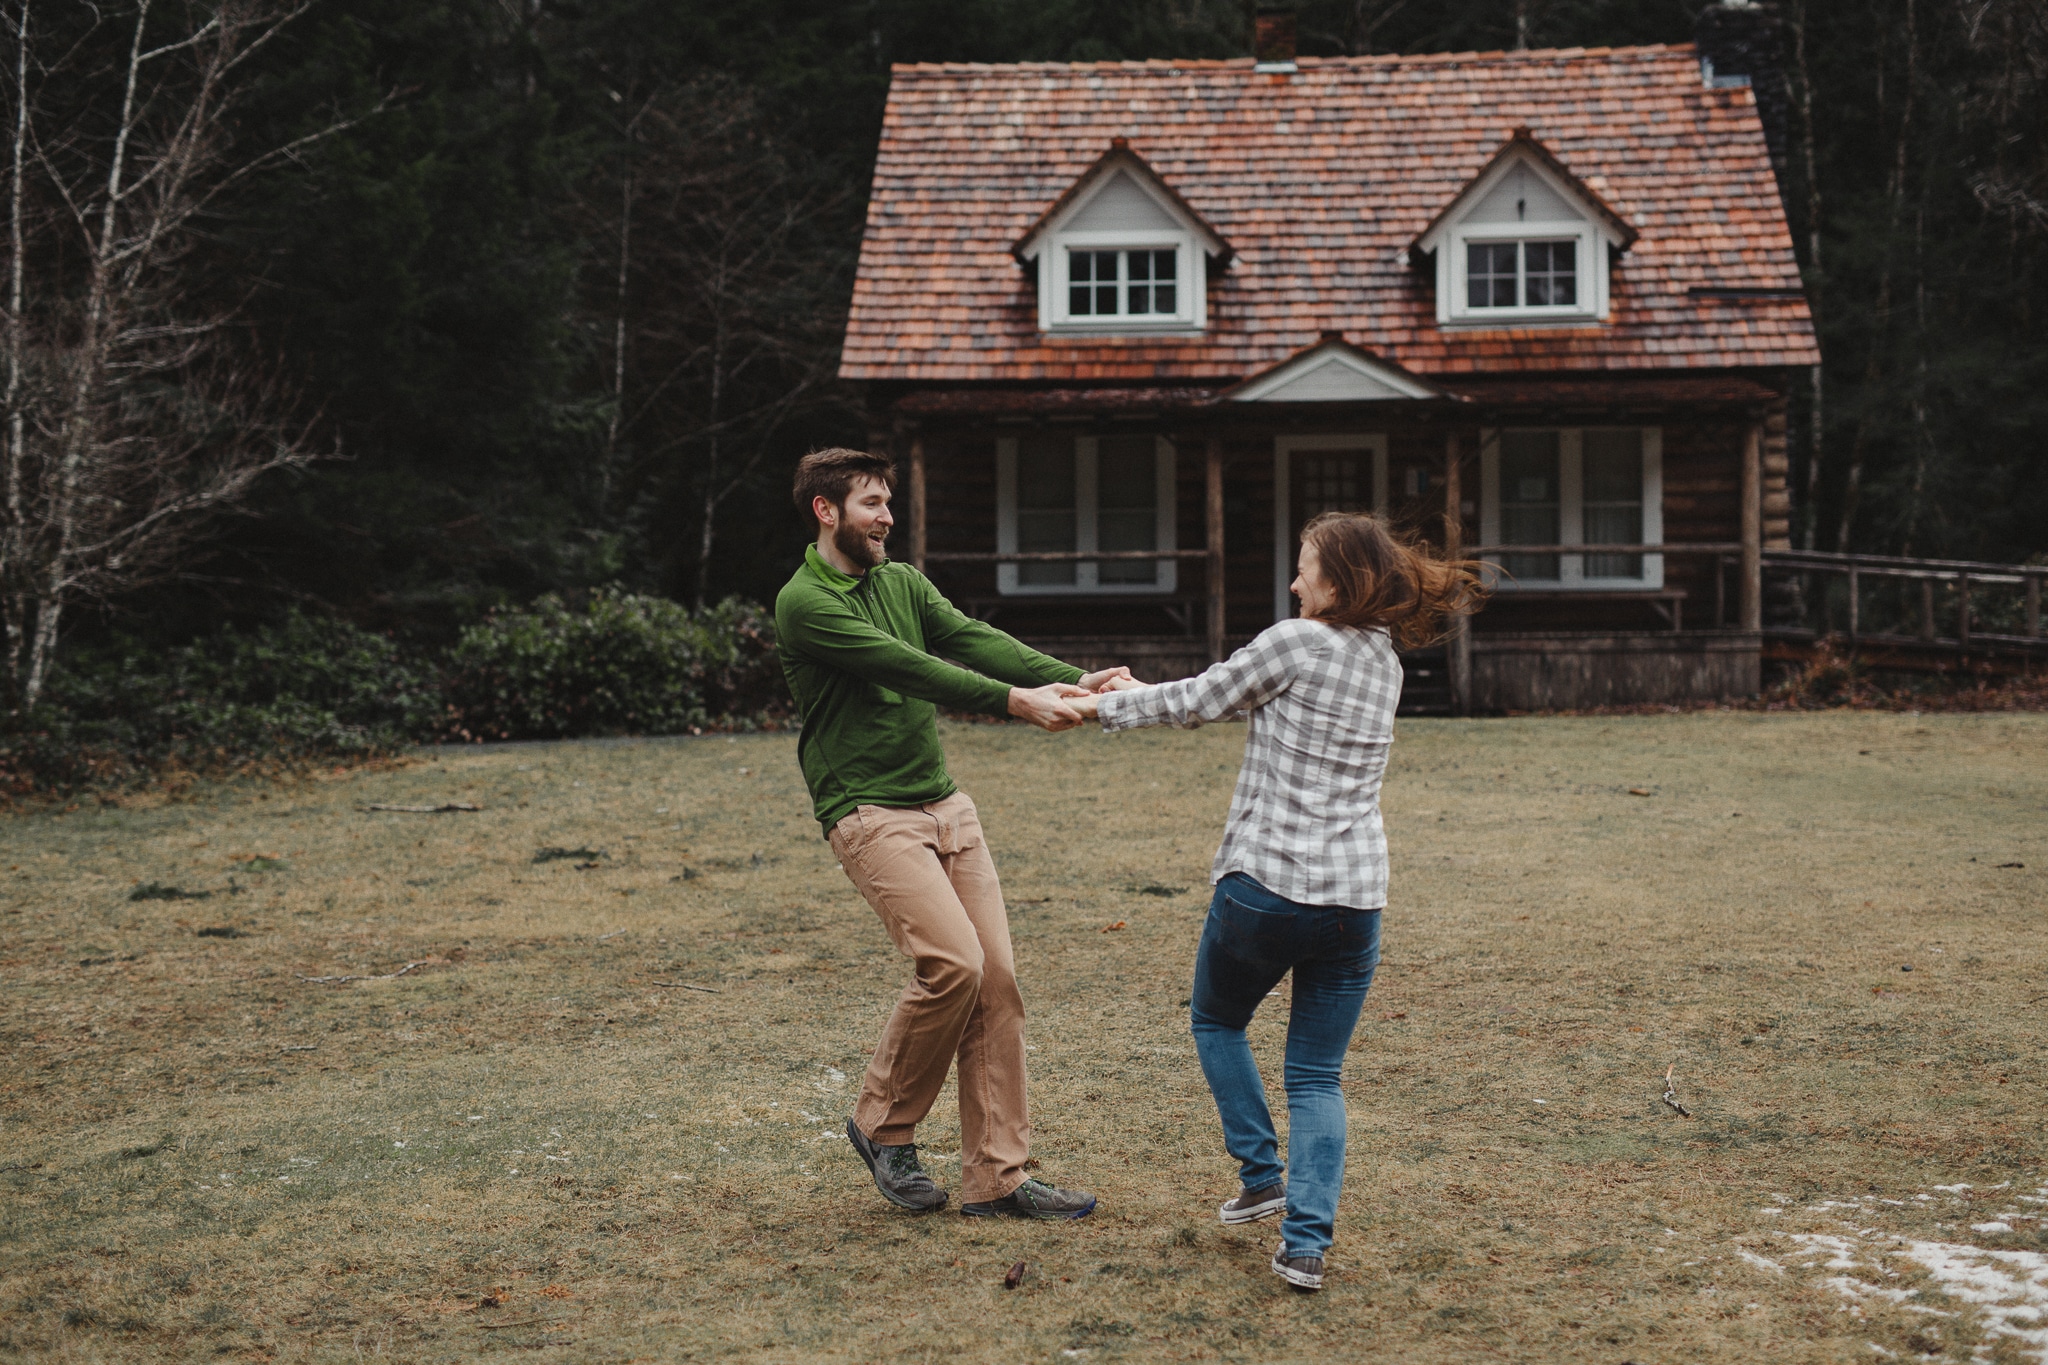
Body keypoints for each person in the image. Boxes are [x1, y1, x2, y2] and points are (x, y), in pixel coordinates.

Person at [1068, 512, 1483, 1290]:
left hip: (1268, 888)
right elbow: (1213, 693)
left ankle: (1262, 1174)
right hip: (1356, 900)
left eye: (1305, 568)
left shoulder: (1296, 642)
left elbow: (1200, 699)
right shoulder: (1385, 662)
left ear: (1340, 579)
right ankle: (1304, 1246)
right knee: (1317, 1078)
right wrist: (1139, 689)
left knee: (1217, 1018)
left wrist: (1104, 701)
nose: (1295, 582)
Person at [774, 446, 1130, 1220]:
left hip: (944, 804)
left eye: (888, 501)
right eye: (872, 502)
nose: (888, 517)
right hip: (868, 810)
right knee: (953, 962)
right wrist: (1017, 702)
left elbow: (970, 638)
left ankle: (998, 1177)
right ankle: (881, 1123)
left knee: (995, 980)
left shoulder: (899, 581)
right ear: (826, 510)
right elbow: (910, 668)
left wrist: (1076, 675)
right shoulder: (804, 602)